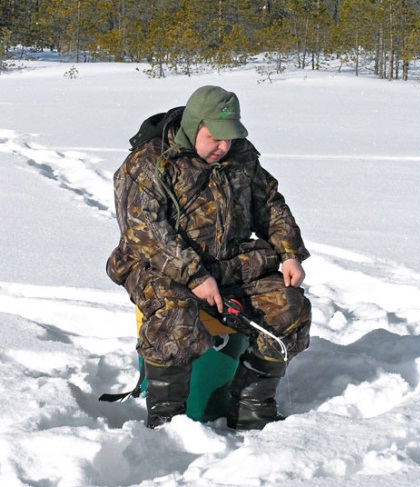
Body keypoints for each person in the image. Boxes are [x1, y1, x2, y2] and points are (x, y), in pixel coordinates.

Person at [106, 85, 311, 430]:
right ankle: (167, 421)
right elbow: (144, 229)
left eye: (230, 138)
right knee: (177, 317)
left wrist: (289, 253)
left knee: (290, 307)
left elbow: (270, 205)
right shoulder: (149, 162)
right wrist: (194, 275)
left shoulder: (241, 158)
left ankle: (250, 406)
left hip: (229, 263)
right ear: (193, 125)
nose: (223, 147)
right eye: (215, 137)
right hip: (156, 265)